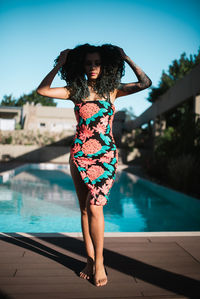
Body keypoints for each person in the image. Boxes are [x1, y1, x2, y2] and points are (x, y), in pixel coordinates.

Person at [37, 43, 152, 287]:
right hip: (79, 154)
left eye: (96, 63)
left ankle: (99, 263)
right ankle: (89, 261)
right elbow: (43, 91)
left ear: (104, 65)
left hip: (105, 156)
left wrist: (127, 58)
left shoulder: (112, 90)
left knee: (95, 206)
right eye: (88, 63)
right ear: (81, 65)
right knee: (83, 210)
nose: (92, 67)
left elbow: (145, 83)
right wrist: (60, 64)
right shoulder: (74, 91)